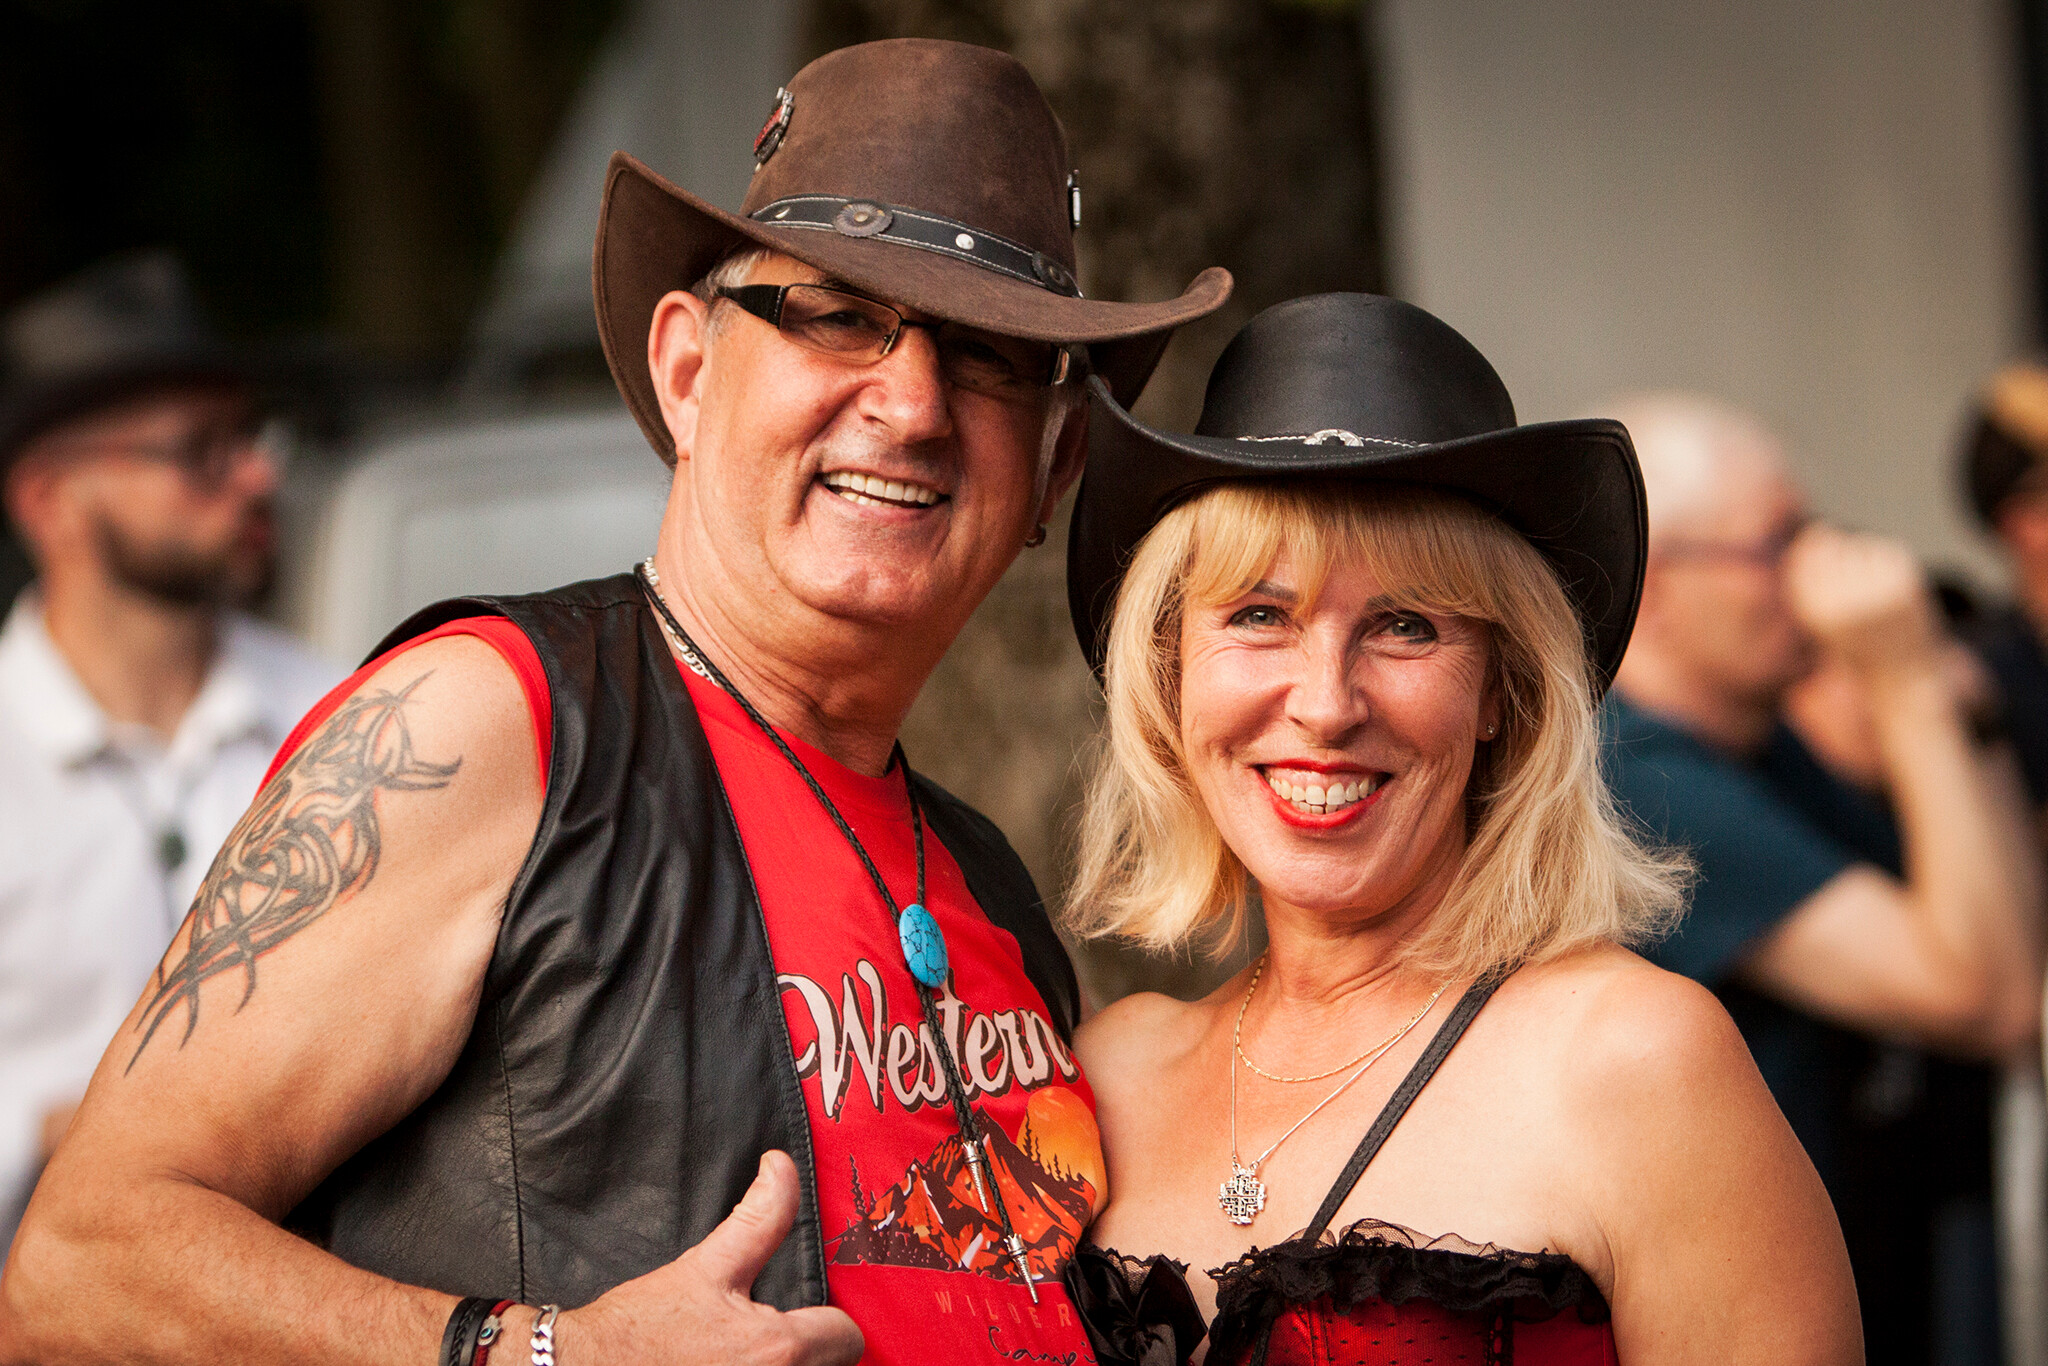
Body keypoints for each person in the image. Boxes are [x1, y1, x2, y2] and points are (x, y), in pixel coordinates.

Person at [0, 40, 1231, 1366]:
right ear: (687, 373)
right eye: (835, 314)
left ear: (1055, 465)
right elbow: (76, 1269)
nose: (914, 402)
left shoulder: (989, 883)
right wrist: (543, 1352)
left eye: (989, 355)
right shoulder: (490, 726)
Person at [1056, 294, 1858, 1365]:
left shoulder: (1640, 1061)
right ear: (1170, 673)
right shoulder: (1103, 1074)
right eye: (1258, 615)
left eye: (1405, 625)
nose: (1326, 704)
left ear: (1498, 692)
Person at [1600, 393, 2042, 1364]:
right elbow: (1990, 999)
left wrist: (1955, 714)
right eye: (1777, 545)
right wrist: (1906, 681)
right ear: (1654, 585)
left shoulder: (1756, 750)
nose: (1814, 577)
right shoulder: (1638, 778)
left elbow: (2004, 934)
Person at [0, 251, 339, 1249]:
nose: (258, 474)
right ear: (51, 499)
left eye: (252, 436)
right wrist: (60, 1127)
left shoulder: (341, 713)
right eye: (200, 450)